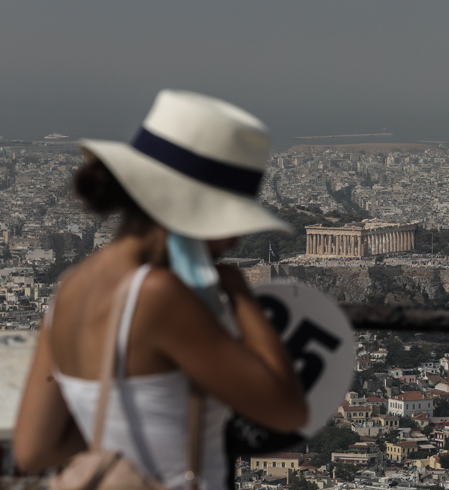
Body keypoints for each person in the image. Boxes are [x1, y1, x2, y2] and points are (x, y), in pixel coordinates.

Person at [14, 90, 309, 490]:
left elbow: (33, 450)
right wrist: (240, 295)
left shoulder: (69, 289)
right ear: (190, 211)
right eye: (227, 222)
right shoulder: (158, 295)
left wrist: (121, 441)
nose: (234, 241)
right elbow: (287, 409)